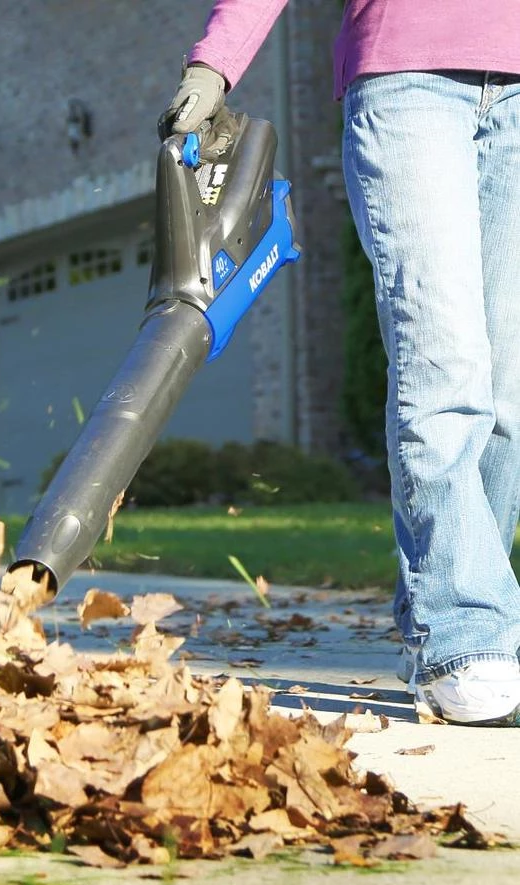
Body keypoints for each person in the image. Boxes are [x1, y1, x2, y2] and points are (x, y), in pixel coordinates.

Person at [160, 1, 520, 726]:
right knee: (445, 367)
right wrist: (215, 60)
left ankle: (443, 616)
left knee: (507, 392)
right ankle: (464, 636)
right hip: (408, 77)